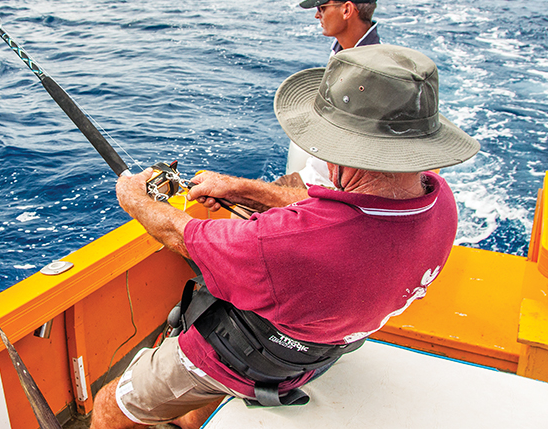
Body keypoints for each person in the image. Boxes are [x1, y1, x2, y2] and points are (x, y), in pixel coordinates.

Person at [89, 44, 479, 429]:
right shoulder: (439, 200)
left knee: (113, 403)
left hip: (248, 357)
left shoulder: (286, 243)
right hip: (327, 350)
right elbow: (326, 206)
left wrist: (134, 198)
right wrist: (240, 189)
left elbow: (179, 234)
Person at [283, 0, 381, 191]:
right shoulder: (341, 52)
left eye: (322, 7)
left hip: (333, 191)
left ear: (347, 10)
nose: (317, 14)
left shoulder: (372, 74)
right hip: (316, 176)